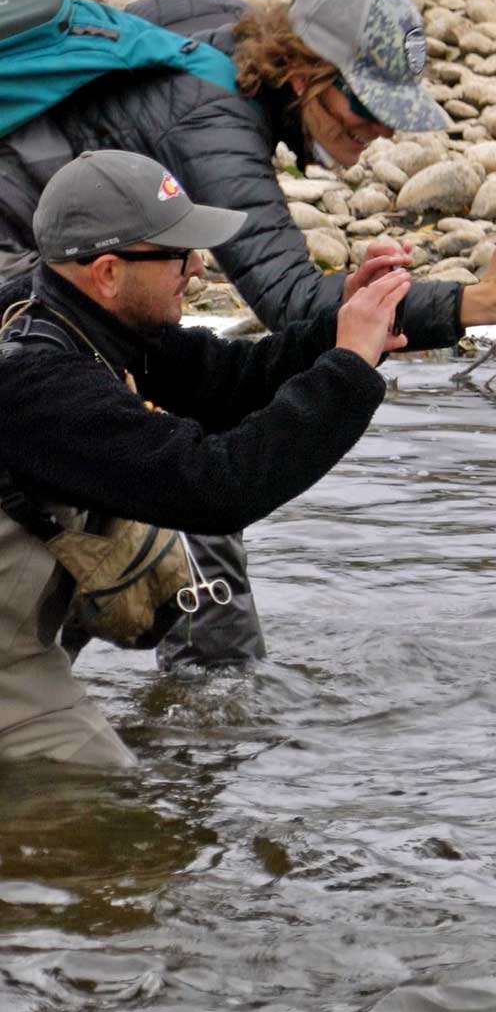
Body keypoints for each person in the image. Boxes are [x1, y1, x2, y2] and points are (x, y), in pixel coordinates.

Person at [0, 0, 496, 667]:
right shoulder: (210, 115)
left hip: (64, 268)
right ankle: (213, 702)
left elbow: (255, 347)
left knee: (168, 424)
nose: (381, 127)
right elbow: (291, 301)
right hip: (31, 282)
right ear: (301, 76)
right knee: (185, 486)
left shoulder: (210, 29)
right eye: (364, 104)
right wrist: (472, 304)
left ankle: (141, 683)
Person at [0, 149, 406, 765]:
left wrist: (346, 327)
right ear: (108, 272)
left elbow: (232, 380)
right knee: (104, 812)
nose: (197, 267)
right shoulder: (39, 378)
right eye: (177, 253)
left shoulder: (78, 317)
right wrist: (347, 372)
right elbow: (216, 486)